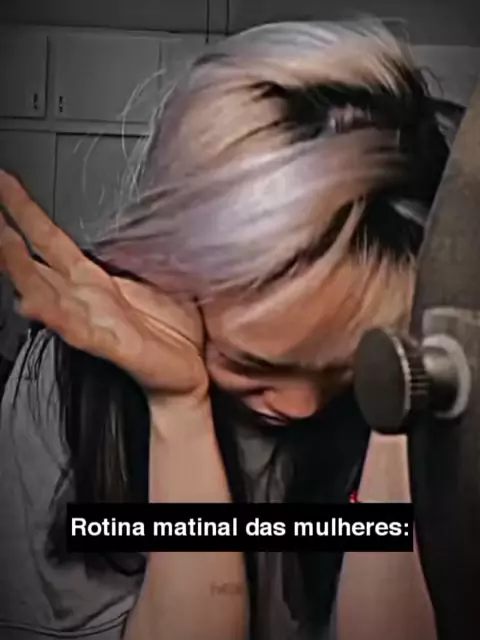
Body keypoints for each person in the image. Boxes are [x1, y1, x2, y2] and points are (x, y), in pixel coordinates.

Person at [0, 20, 462, 640]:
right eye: (252, 364)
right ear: (175, 271)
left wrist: (396, 391)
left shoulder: (433, 388)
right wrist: (177, 408)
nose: (300, 406)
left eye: (346, 366)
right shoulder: (66, 385)